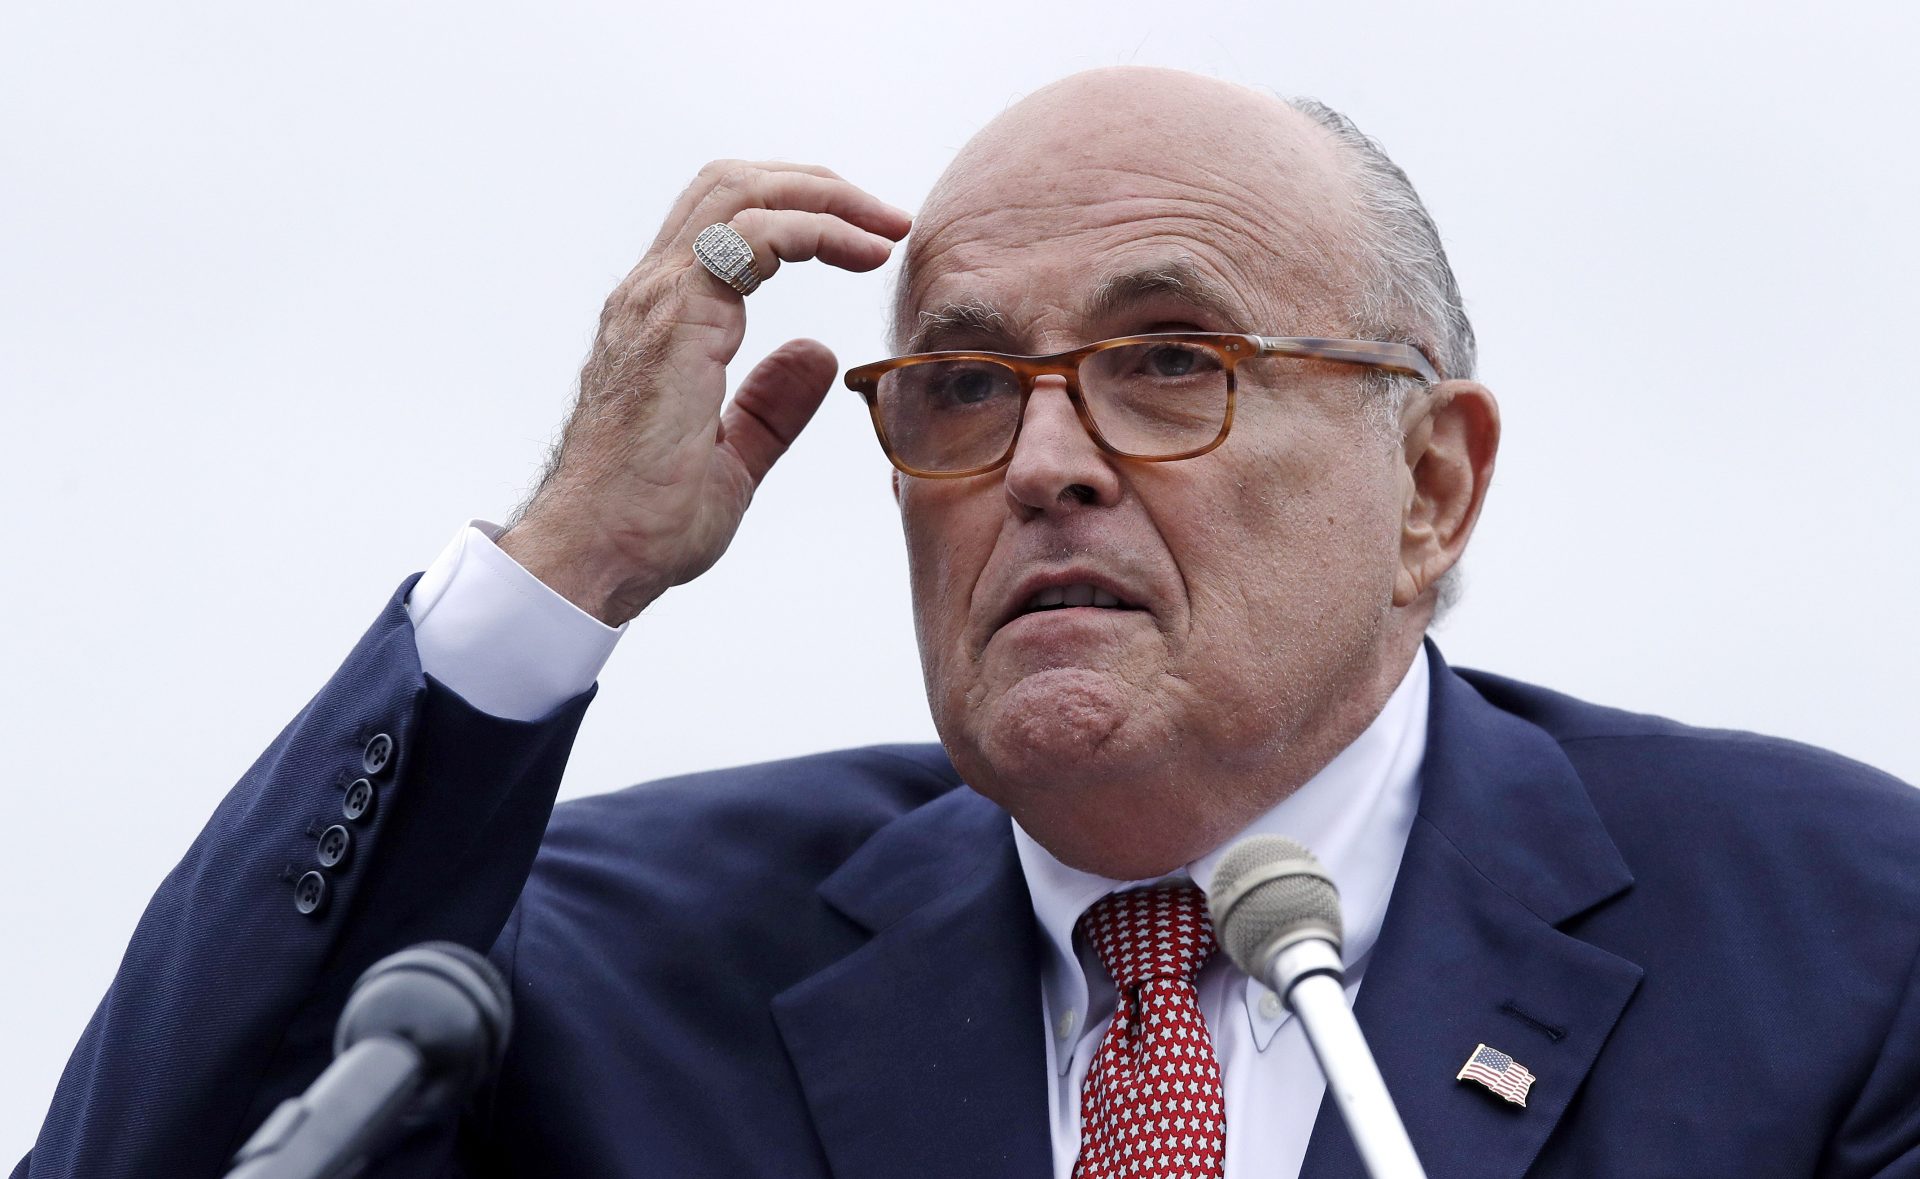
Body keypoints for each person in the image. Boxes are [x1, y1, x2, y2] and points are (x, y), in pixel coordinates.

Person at [16, 67, 1920, 1179]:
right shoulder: (582, 978)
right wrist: (562, 565)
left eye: (1168, 364)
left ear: (1431, 487)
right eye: (961, 387)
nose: (1044, 465)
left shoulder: (1836, 936)